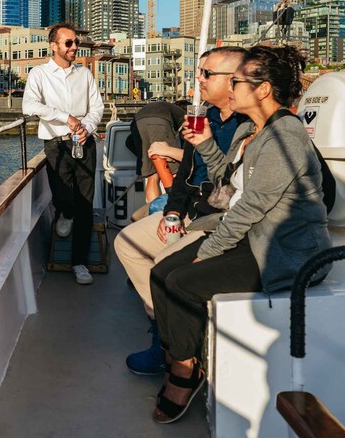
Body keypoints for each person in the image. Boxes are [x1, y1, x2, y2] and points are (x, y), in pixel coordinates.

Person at [150, 45, 331, 423]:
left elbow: (252, 207)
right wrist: (206, 146)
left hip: (284, 250)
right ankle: (180, 355)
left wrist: (210, 250)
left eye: (236, 81)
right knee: (160, 273)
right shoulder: (252, 130)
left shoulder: (287, 137)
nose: (228, 88)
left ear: (263, 89)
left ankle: (185, 372)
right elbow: (227, 185)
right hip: (251, 237)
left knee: (182, 282)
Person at [114, 47, 249, 374]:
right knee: (126, 244)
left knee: (163, 264)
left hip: (218, 218)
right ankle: (164, 330)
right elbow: (184, 177)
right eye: (199, 72)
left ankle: (178, 345)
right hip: (191, 209)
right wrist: (173, 213)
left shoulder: (248, 127)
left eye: (206, 73)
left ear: (233, 82)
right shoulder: (200, 119)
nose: (198, 79)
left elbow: (234, 187)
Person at [23, 22, 104, 285]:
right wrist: (64, 117)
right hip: (56, 143)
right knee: (63, 196)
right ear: (54, 45)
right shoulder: (39, 74)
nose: (74, 47)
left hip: (84, 142)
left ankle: (79, 263)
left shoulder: (85, 75)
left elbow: (97, 108)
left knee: (85, 204)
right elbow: (29, 105)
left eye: (76, 42)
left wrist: (87, 128)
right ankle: (64, 213)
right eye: (68, 43)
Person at [125, 100, 188, 215]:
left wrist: (145, 156)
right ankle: (175, 214)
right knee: (173, 173)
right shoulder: (183, 115)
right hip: (159, 122)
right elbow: (187, 139)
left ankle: (154, 216)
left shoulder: (164, 107)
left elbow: (129, 142)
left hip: (137, 122)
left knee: (152, 177)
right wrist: (175, 155)